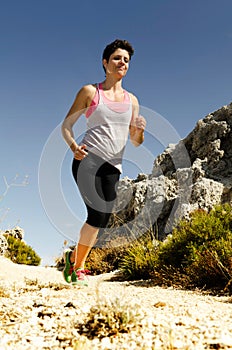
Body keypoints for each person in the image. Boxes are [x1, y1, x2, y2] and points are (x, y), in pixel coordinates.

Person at [61, 39, 146, 286]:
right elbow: (66, 126)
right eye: (118, 58)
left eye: (127, 60)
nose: (122, 63)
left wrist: (139, 131)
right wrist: (74, 147)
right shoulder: (90, 92)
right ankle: (78, 269)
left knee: (104, 217)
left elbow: (135, 141)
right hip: (87, 159)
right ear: (105, 62)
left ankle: (73, 258)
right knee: (97, 214)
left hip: (114, 167)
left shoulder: (132, 100)